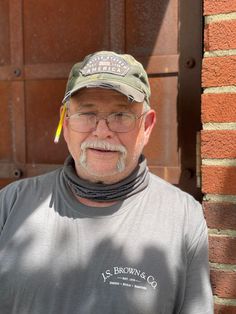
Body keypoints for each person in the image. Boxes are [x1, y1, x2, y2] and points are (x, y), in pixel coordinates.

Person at [0, 51, 213, 314]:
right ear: (65, 122)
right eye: (87, 114)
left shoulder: (183, 217)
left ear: (146, 126)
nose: (102, 131)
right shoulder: (11, 204)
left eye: (121, 116)